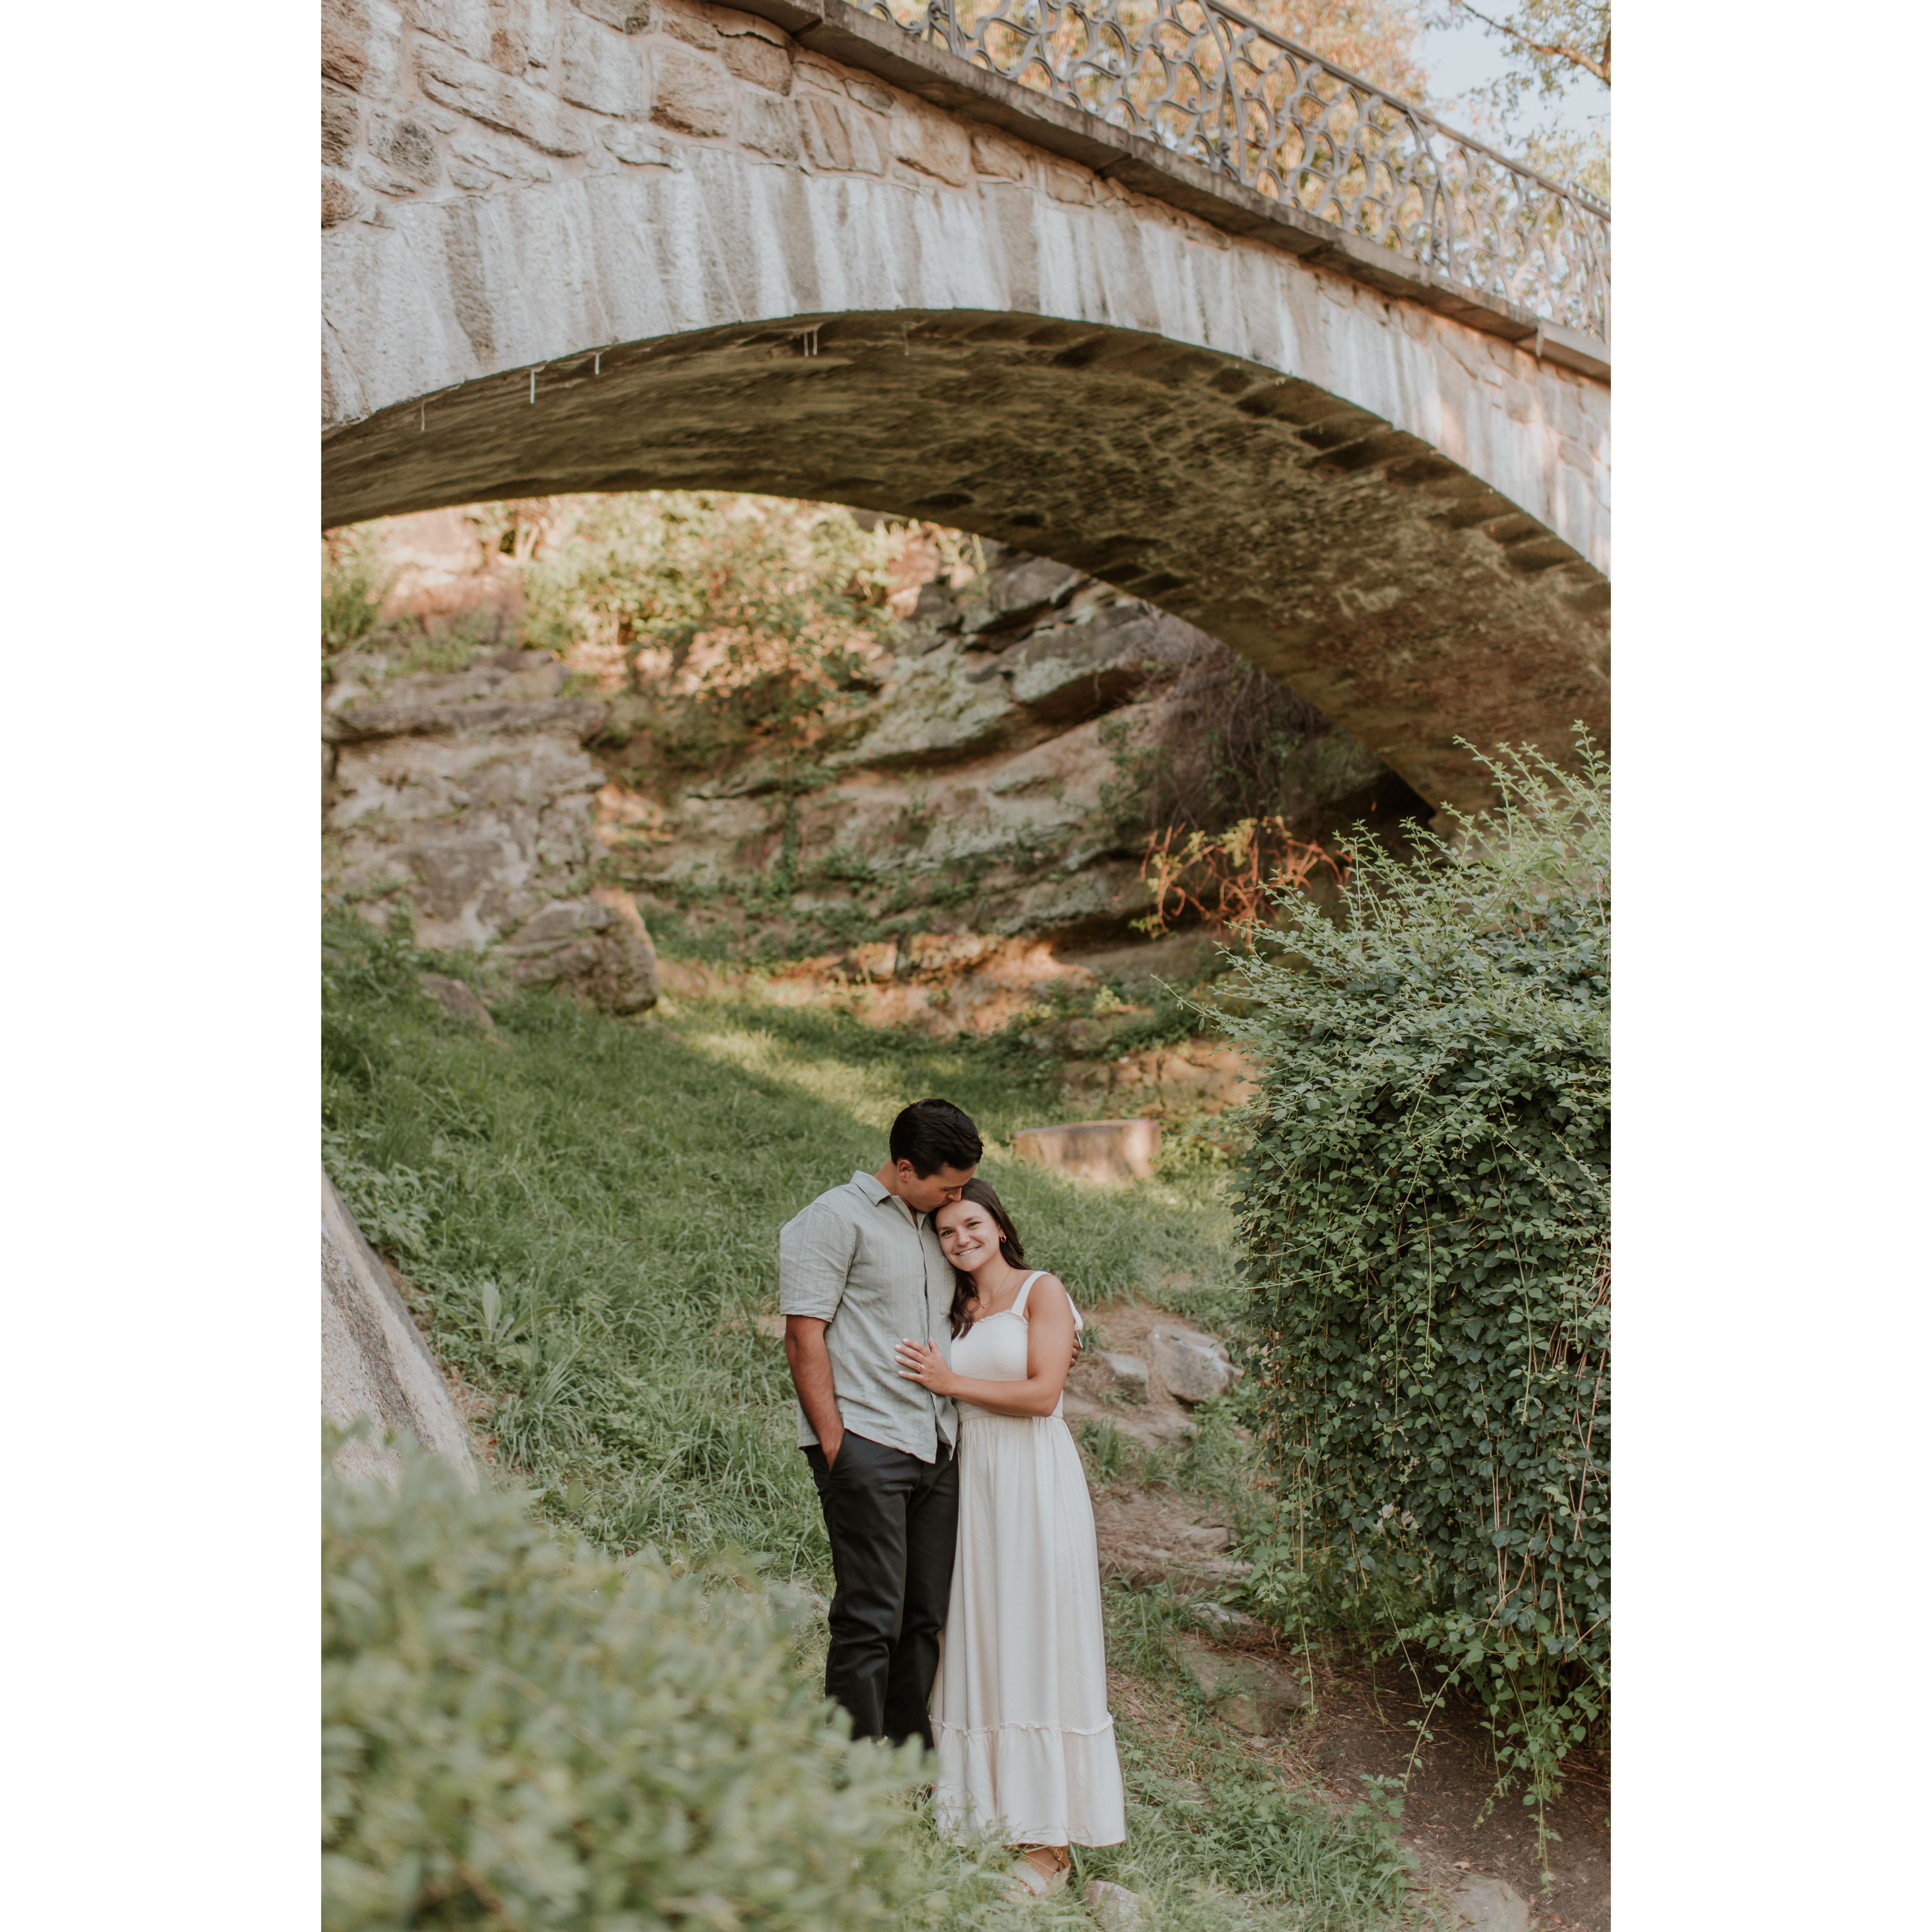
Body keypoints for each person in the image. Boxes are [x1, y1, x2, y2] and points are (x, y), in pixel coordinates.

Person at [894, 1178, 1126, 1894]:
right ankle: (979, 1810)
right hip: (973, 1484)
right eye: (946, 1231)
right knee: (980, 1635)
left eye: (971, 1224)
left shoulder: (1040, 1291)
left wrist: (949, 1382)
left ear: (998, 1225)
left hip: (1033, 1478)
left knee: (1039, 1635)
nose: (960, 1239)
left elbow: (1042, 1394)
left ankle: (1050, 1843)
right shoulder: (953, 1306)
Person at [779, 1098, 982, 1748]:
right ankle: (852, 1765)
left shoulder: (936, 1226)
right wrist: (837, 1447)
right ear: (904, 1168)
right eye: (948, 1186)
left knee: (923, 1615)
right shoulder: (833, 1219)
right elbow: (803, 1336)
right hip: (868, 1442)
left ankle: (906, 1755)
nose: (959, 1198)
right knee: (872, 1614)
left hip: (937, 1446)